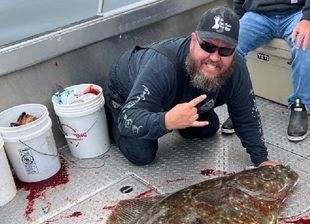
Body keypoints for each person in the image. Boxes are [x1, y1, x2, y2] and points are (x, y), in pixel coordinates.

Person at [105, 6, 277, 167]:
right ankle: (111, 116)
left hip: (174, 96)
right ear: (194, 40)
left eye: (225, 50)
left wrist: (261, 159)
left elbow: (247, 115)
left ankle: (179, 117)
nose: (215, 57)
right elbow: (130, 118)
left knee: (208, 128)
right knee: (142, 155)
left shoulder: (236, 67)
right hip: (127, 92)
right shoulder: (162, 65)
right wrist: (166, 121)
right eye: (208, 46)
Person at [221, 1, 310, 141]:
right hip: (258, 15)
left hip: (296, 14)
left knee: (305, 44)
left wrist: (308, 18)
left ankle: (300, 104)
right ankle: (241, 106)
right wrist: (238, 19)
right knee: (231, 47)